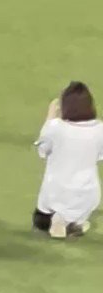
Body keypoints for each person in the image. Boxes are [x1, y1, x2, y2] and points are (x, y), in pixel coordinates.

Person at [33, 82, 103, 239]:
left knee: (40, 222)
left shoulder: (56, 127)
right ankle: (72, 223)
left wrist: (50, 116)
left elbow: (42, 151)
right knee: (79, 214)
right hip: (86, 193)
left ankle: (60, 220)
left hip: (55, 193)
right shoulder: (100, 129)